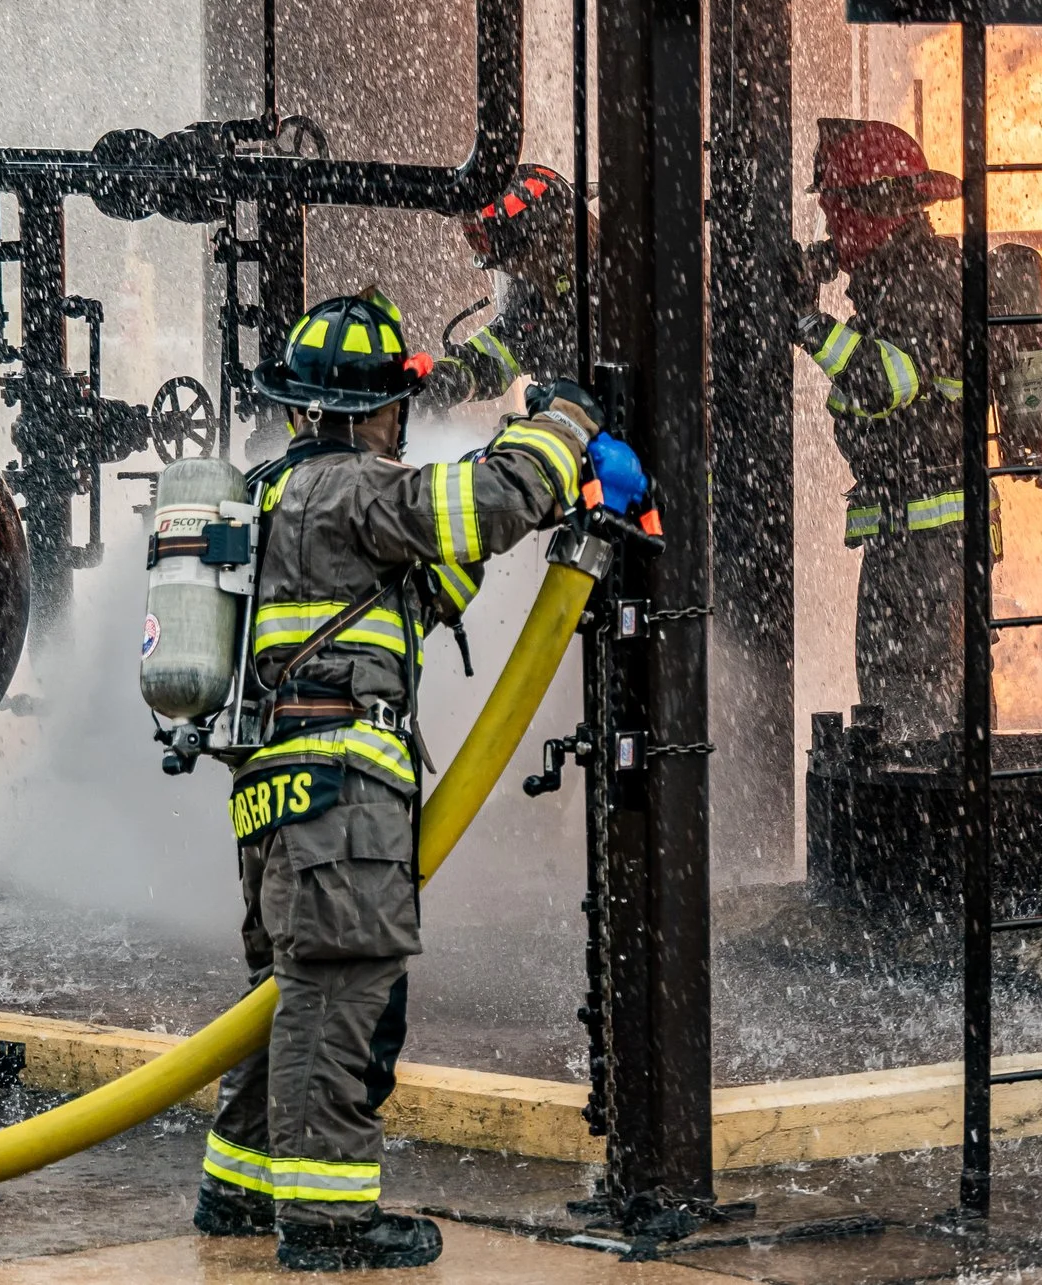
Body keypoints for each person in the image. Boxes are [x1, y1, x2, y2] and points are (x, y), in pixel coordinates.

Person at [194, 288, 642, 1272]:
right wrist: (560, 426)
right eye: (397, 407)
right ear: (365, 412)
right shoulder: (347, 488)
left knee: (293, 989)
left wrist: (563, 521)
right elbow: (478, 504)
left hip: (283, 787)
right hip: (338, 786)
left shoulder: (282, 499)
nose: (405, 423)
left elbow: (431, 576)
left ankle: (239, 1185)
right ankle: (325, 1222)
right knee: (343, 993)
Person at [781, 119, 970, 742]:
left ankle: (925, 831)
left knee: (917, 722)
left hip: (929, 546)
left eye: (836, 215)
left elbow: (891, 380)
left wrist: (809, 324)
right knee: (901, 710)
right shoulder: (901, 278)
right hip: (909, 539)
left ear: (871, 212)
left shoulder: (924, 280)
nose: (832, 232)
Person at [423, 165, 584, 408]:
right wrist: (448, 378)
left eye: (521, 265)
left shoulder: (617, 302)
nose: (519, 285)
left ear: (550, 248)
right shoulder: (536, 302)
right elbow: (501, 349)